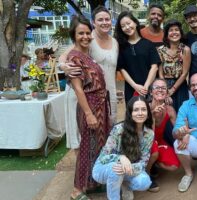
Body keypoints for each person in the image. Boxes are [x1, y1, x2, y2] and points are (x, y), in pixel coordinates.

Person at [59, 6, 119, 149]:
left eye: (107, 19)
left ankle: (96, 169)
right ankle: (83, 170)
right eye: (100, 20)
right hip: (84, 95)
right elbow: (66, 55)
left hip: (106, 94)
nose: (104, 22)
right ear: (93, 22)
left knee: (104, 134)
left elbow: (110, 70)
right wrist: (63, 66)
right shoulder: (87, 37)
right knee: (82, 139)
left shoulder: (115, 42)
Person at [66, 15, 111, 200]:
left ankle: (92, 183)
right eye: (80, 33)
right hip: (90, 107)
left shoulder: (86, 55)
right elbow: (78, 88)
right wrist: (88, 114)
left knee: (99, 146)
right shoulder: (74, 58)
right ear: (73, 35)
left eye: (87, 33)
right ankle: (77, 189)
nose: (85, 36)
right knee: (86, 148)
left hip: (101, 107)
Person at [92, 96, 154, 200]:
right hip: (103, 168)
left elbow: (143, 163)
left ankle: (125, 185)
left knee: (145, 182)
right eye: (136, 110)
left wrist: (127, 168)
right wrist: (120, 158)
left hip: (128, 169)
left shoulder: (149, 134)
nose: (140, 113)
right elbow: (103, 157)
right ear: (130, 113)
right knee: (116, 170)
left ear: (148, 113)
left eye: (143, 109)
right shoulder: (119, 130)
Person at [115, 11, 161, 103]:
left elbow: (154, 67)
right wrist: (135, 86)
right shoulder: (121, 46)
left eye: (128, 23)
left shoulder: (148, 44)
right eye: (123, 26)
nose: (127, 27)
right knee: (133, 115)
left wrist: (146, 87)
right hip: (131, 89)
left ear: (135, 23)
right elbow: (122, 69)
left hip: (149, 88)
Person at [146, 79, 179, 192]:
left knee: (174, 166)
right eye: (157, 87)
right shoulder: (144, 107)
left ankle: (153, 164)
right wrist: (153, 117)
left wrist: (183, 133)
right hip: (145, 142)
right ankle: (146, 174)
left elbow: (177, 131)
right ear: (151, 92)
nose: (160, 90)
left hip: (159, 142)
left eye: (163, 88)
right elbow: (146, 136)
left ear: (167, 92)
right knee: (154, 152)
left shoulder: (169, 110)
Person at [158, 19, 190, 112]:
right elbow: (160, 73)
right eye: (171, 30)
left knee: (182, 114)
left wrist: (172, 90)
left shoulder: (185, 50)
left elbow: (184, 73)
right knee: (166, 113)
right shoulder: (160, 50)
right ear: (167, 34)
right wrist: (165, 90)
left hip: (180, 86)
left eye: (177, 30)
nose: (174, 32)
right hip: (164, 86)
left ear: (180, 32)